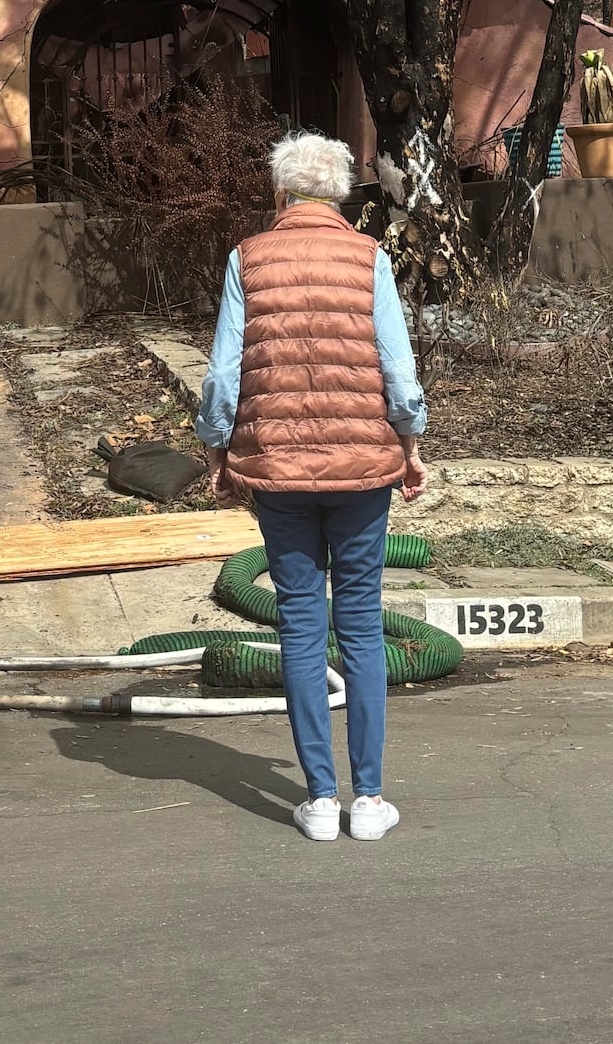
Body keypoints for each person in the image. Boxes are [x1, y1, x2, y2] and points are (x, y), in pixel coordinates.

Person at [195, 130, 429, 842]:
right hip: (363, 469)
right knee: (359, 623)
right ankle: (371, 799)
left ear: (281, 192)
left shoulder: (248, 257)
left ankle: (321, 800)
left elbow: (222, 377)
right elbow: (399, 369)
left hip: (280, 469)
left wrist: (216, 448)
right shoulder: (369, 257)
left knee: (301, 621)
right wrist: (410, 441)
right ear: (342, 194)